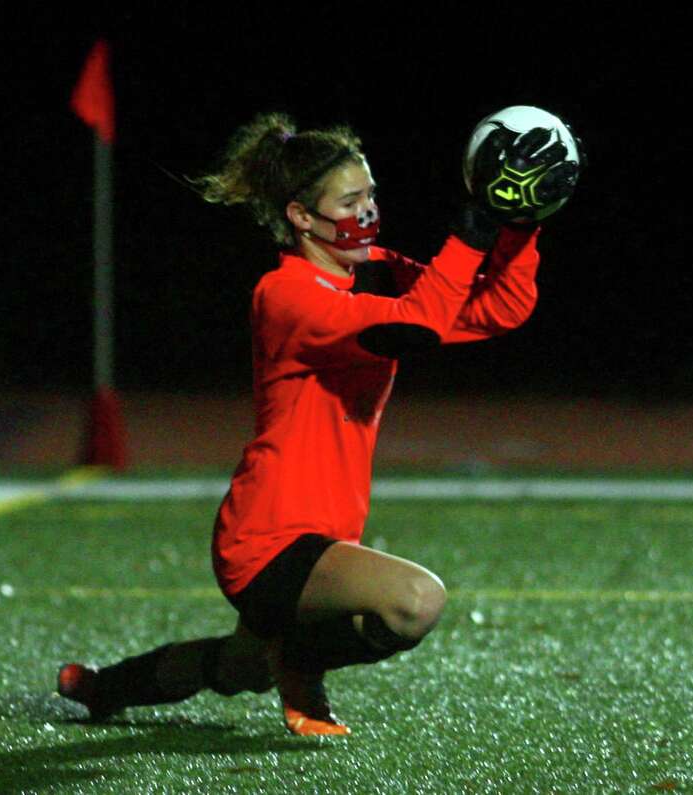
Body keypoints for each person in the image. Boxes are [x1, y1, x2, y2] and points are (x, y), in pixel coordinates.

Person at [56, 111, 580, 735]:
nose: (369, 211)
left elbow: (501, 309)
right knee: (417, 602)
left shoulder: (375, 271)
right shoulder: (284, 296)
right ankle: (299, 661)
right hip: (268, 540)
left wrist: (520, 226)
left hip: (329, 538)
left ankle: (103, 687)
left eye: (372, 194)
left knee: (240, 665)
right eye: (351, 200)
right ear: (301, 217)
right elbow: (418, 325)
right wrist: (474, 230)